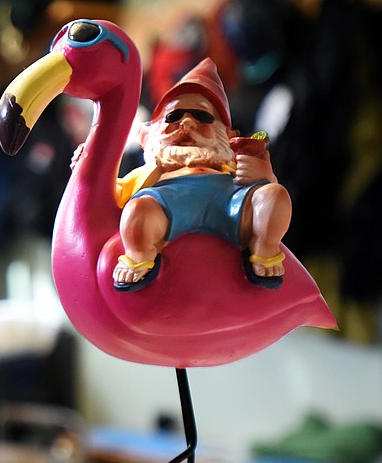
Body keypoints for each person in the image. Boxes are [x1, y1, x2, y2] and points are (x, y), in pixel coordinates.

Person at [111, 58, 291, 291]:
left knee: (274, 196)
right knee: (137, 213)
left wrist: (263, 175)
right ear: (147, 137)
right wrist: (92, 164)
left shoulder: (231, 163)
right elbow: (110, 192)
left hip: (229, 203)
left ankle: (264, 249)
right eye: (173, 117)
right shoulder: (152, 171)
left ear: (228, 136)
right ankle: (141, 256)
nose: (187, 122)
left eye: (202, 116)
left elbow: (265, 192)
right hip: (166, 203)